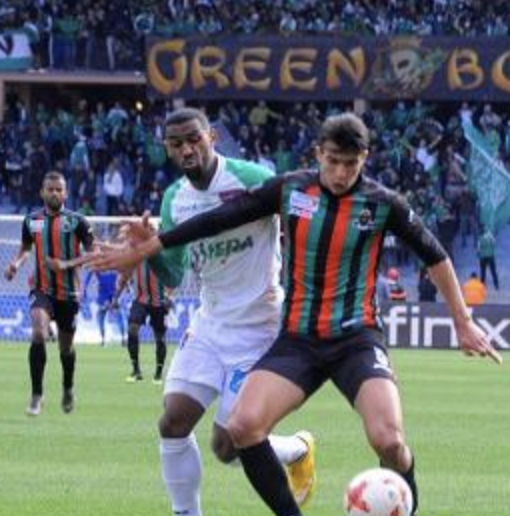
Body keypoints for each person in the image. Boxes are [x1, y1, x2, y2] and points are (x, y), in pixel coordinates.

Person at [86, 112, 502, 516]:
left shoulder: (383, 203)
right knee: (242, 428)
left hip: (357, 339)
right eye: (333, 161)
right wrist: (147, 249)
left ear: (365, 158)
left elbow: (435, 256)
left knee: (389, 442)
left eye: (351, 163)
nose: (340, 173)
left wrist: (463, 322)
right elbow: (217, 219)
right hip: (298, 340)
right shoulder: (290, 190)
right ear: (318, 153)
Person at [87, 108, 316, 515]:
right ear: (167, 149)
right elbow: (173, 275)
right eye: (176, 144)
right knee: (173, 422)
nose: (187, 149)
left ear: (212, 137)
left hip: (259, 328)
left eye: (194, 139)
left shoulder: (250, 178)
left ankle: (298, 448)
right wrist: (148, 250)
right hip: (210, 325)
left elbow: (300, 224)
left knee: (228, 446)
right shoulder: (175, 199)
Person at [4, 171, 94, 416]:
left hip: (69, 293)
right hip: (42, 289)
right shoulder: (32, 220)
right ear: (42, 192)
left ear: (65, 193)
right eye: (50, 189)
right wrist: (16, 264)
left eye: (59, 189)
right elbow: (25, 248)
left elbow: (93, 253)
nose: (54, 193)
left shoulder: (78, 222)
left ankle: (68, 388)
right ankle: (37, 395)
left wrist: (65, 264)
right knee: (38, 333)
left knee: (66, 348)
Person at [118, 259, 173, 384]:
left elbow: (172, 277)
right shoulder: (136, 255)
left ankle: (158, 373)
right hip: (140, 300)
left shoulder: (162, 255)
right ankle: (136, 371)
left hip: (159, 302)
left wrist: (169, 297)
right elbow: (124, 276)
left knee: (160, 337)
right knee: (132, 329)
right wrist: (116, 297)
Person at [82, 270, 127, 347]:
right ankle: (104, 339)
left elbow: (124, 274)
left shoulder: (111, 267)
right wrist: (84, 287)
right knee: (103, 317)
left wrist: (85, 287)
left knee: (117, 315)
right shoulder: (102, 268)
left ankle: (122, 338)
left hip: (111, 295)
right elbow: (90, 272)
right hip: (105, 296)